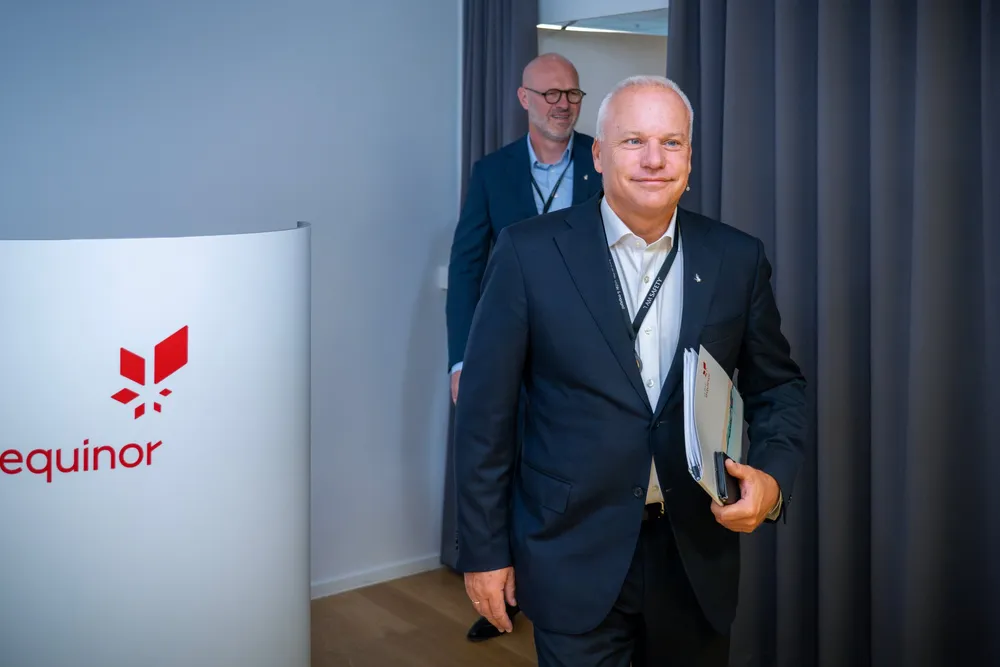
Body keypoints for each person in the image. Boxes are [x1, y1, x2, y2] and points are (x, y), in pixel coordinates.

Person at [452, 74, 808, 667]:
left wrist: (771, 480)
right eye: (633, 141)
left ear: (690, 157)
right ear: (598, 154)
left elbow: (778, 387)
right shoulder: (528, 253)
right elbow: (485, 416)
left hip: (694, 553)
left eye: (671, 143)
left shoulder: (736, 257)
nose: (653, 160)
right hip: (572, 551)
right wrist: (485, 551)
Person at [445, 52, 603, 643]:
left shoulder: (601, 158)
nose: (563, 104)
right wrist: (462, 359)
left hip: (587, 347)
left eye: (572, 94)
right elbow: (466, 268)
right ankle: (503, 594)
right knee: (505, 466)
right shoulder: (493, 171)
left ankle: (571, 589)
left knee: (570, 464)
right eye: (550, 94)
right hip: (509, 343)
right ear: (524, 99)